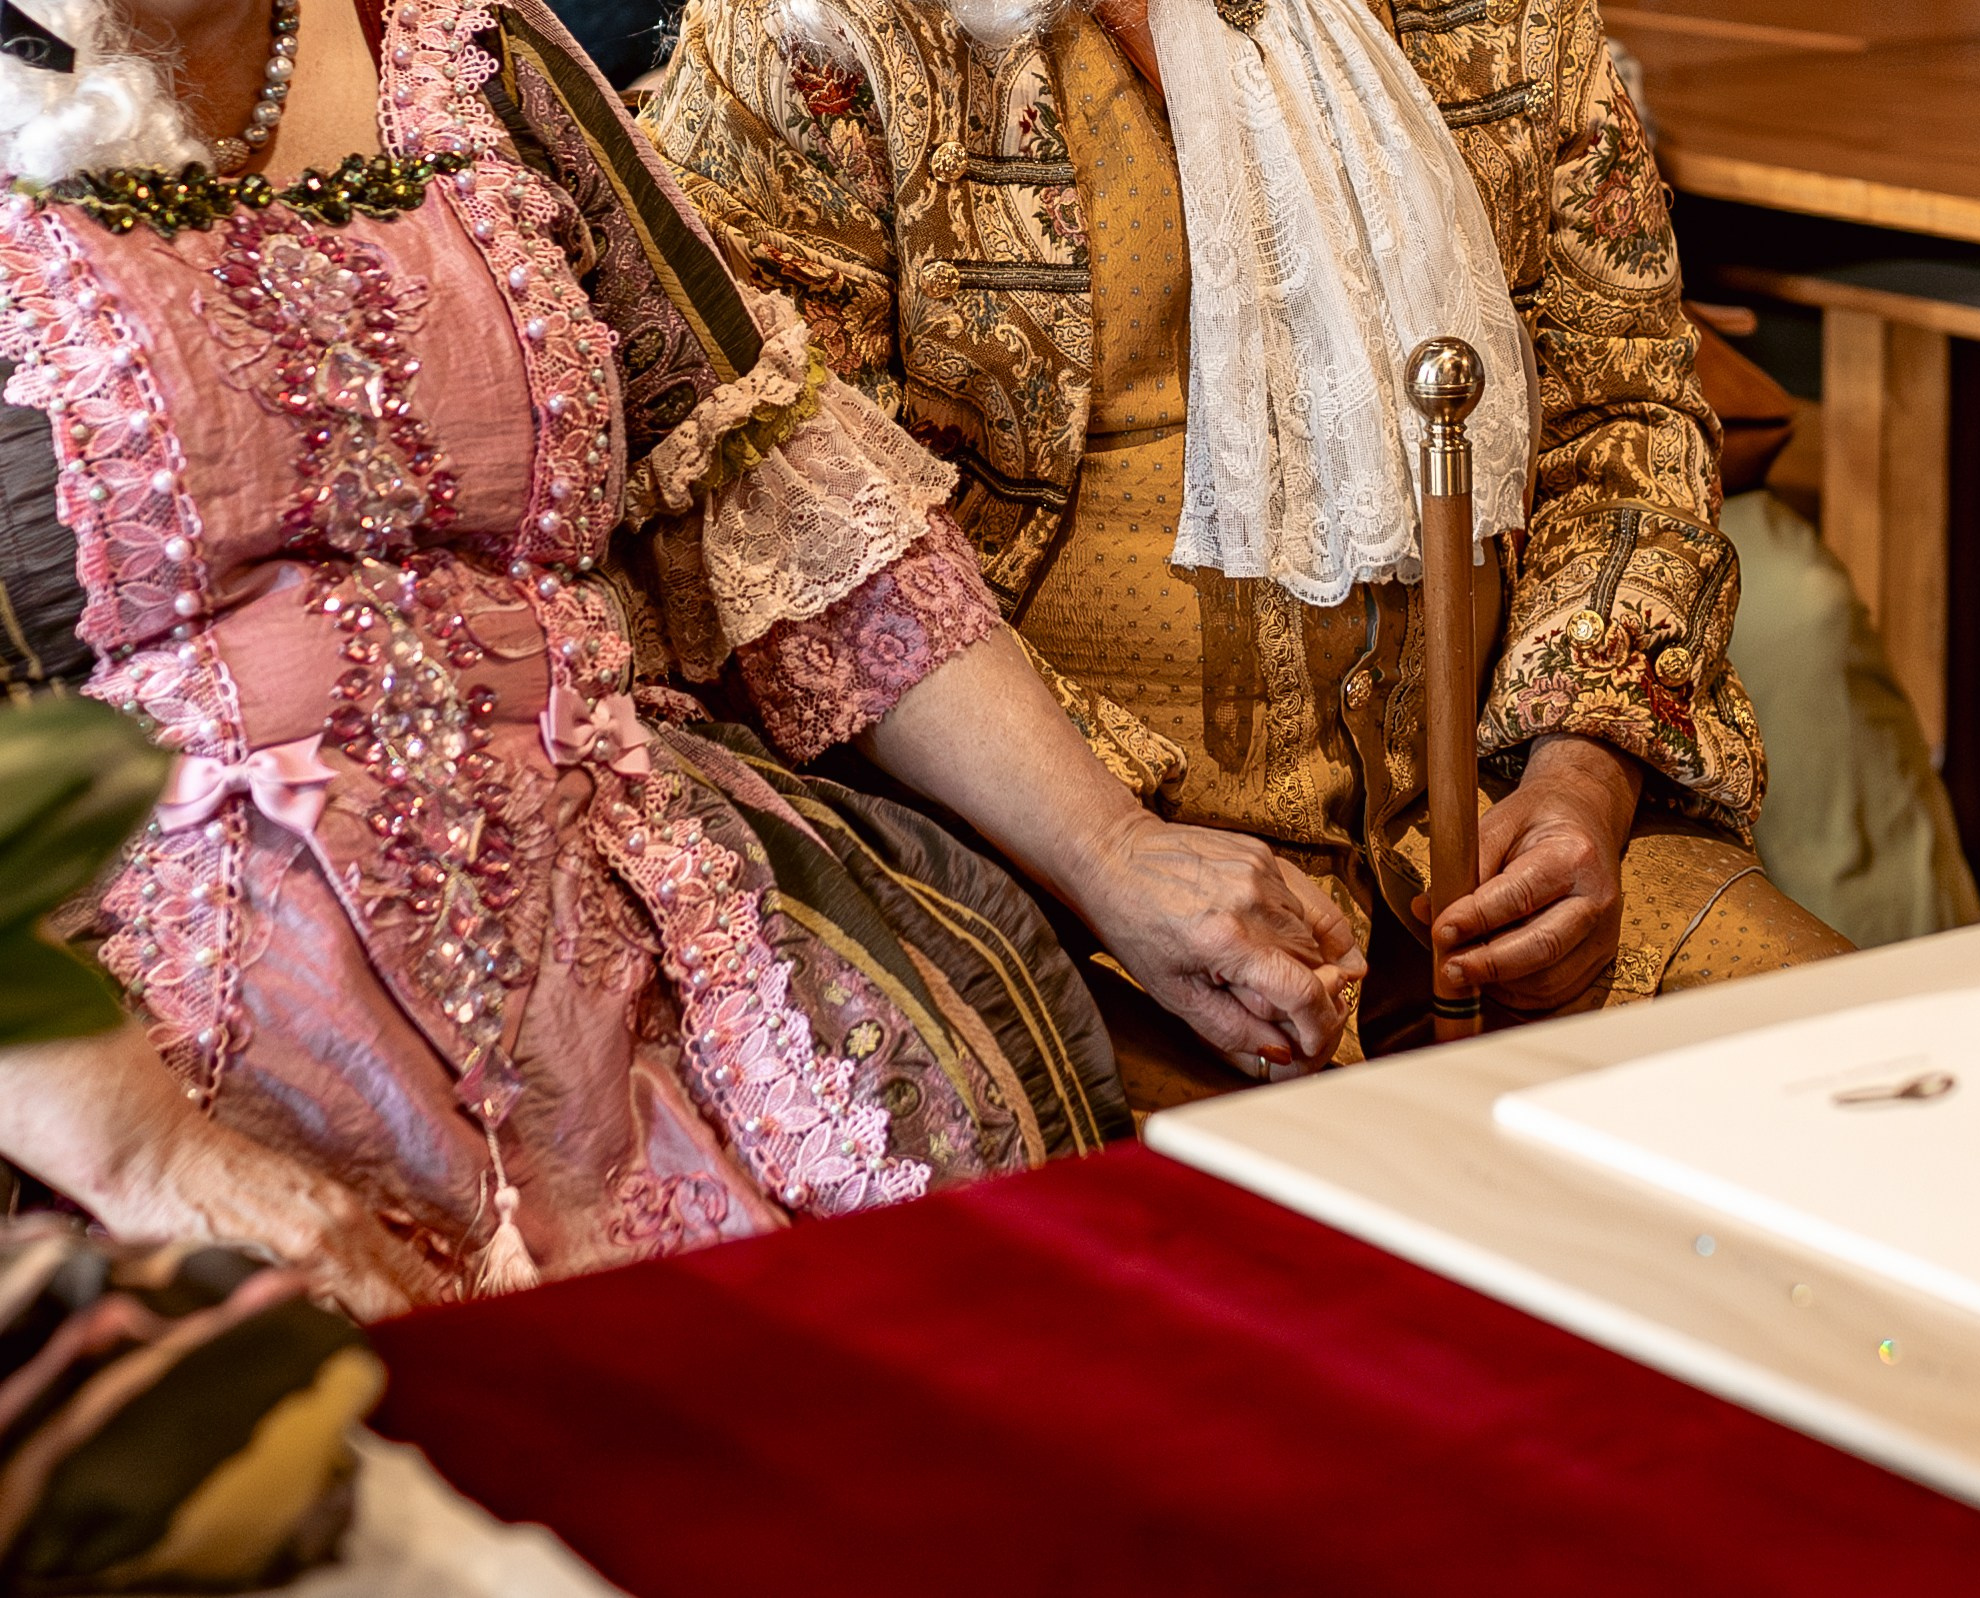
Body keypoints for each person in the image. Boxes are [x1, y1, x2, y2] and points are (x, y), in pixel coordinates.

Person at [0, 0, 1368, 1317]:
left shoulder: (466, 44)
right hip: (126, 1031)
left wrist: (1113, 853)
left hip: (634, 912)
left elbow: (777, 492)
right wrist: (151, 1160)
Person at [646, 0, 1853, 1074]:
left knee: (1864, 1114)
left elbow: (1620, 409)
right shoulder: (812, 32)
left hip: (1493, 847)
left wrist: (1577, 780)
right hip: (1064, 901)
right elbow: (778, 515)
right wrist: (1108, 850)